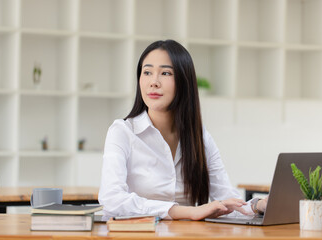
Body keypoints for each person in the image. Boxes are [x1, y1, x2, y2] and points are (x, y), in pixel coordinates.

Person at [98, 39, 267, 220]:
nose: (154, 82)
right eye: (147, 72)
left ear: (184, 81)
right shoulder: (122, 132)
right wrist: (188, 212)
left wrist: (258, 205)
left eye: (165, 73)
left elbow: (226, 202)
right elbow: (112, 200)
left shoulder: (199, 138)